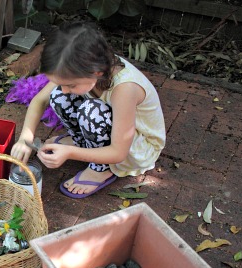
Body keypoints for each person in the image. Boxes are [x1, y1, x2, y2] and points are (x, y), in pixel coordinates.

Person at [10, 22, 166, 198]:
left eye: (71, 85)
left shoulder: (125, 89)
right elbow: (39, 100)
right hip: (111, 126)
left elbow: (118, 151)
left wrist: (70, 153)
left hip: (134, 148)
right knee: (58, 96)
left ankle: (100, 169)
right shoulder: (80, 64)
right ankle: (81, 141)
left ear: (96, 72)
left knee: (92, 111)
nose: (65, 88)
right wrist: (25, 138)